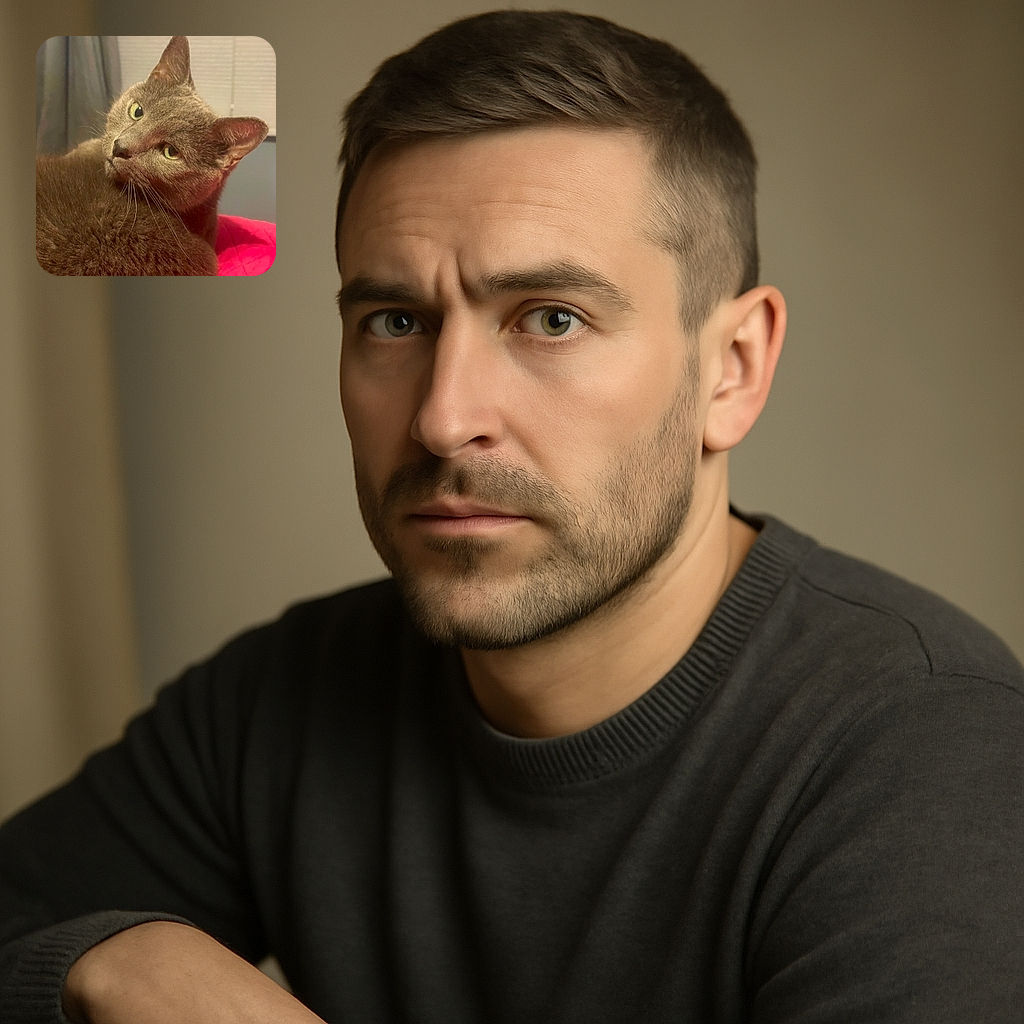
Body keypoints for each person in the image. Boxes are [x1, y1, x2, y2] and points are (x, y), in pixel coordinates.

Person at [2, 10, 1022, 1023]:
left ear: (732, 369)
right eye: (395, 321)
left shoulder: (932, 763)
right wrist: (115, 958)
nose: (444, 419)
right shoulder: (279, 707)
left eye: (551, 319)